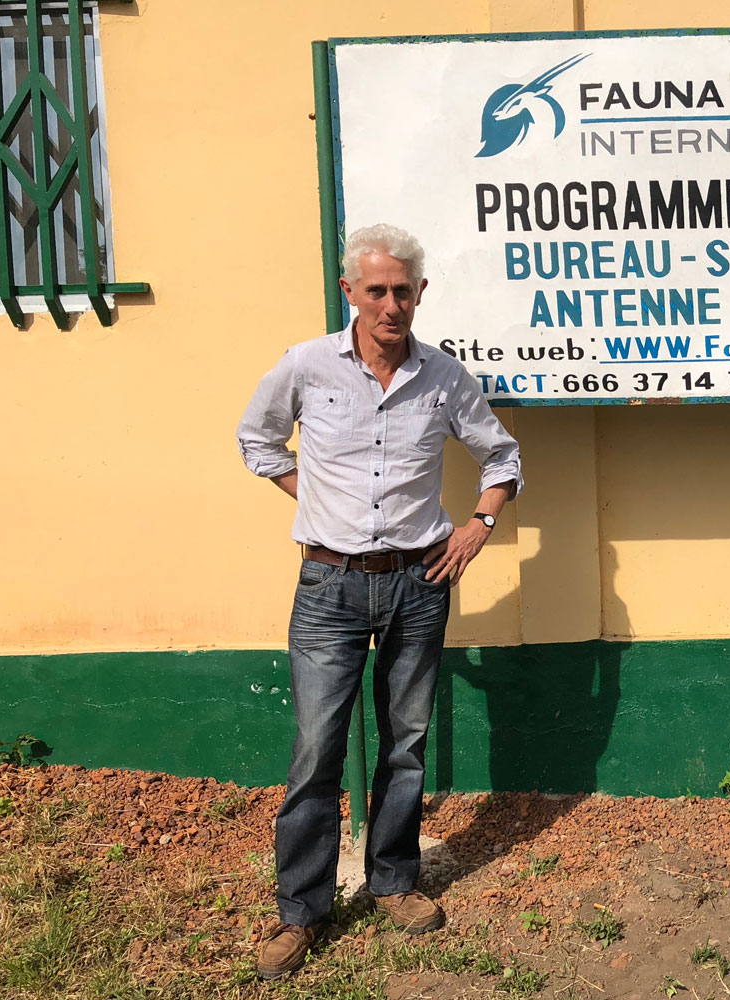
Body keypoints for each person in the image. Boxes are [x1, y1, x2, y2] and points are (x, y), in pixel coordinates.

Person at [236, 223, 522, 979]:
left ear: (419, 293)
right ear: (350, 293)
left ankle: (393, 880)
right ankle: (301, 911)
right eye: (377, 291)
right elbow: (257, 441)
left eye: (403, 291)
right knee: (316, 753)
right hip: (329, 587)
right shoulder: (305, 366)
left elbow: (501, 456)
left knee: (404, 744)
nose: (391, 305)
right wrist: (315, 501)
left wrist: (478, 526)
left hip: (419, 584)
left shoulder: (444, 377)